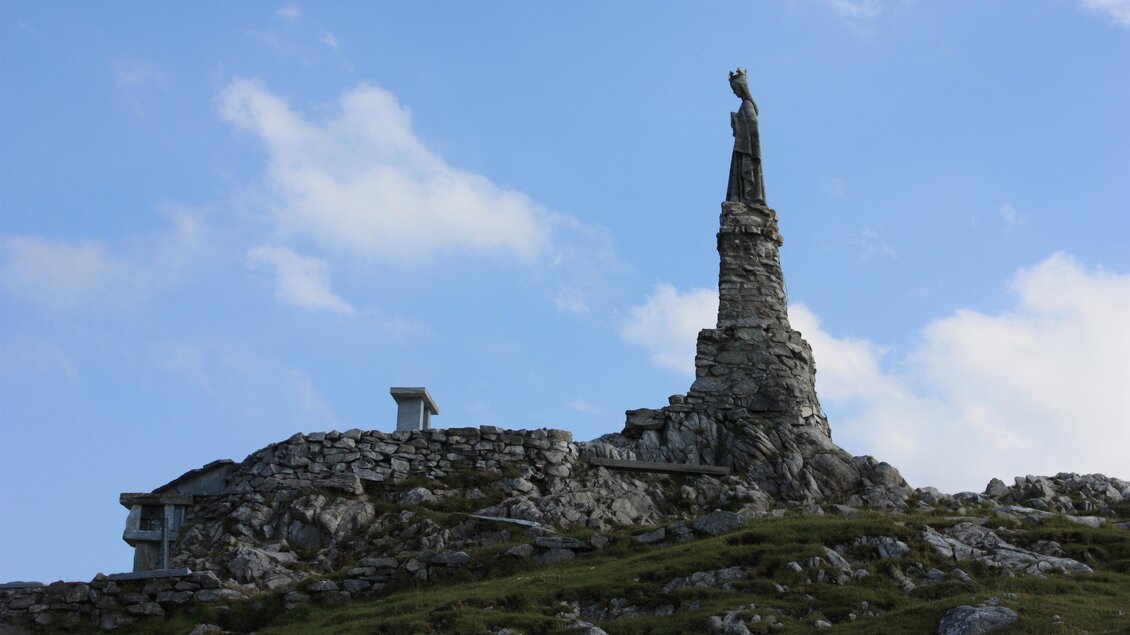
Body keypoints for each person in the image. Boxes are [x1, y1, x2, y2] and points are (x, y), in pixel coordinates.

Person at [726, 68, 766, 204]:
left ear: (741, 87)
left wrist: (737, 122)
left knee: (745, 173)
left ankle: (746, 200)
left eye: (734, 88)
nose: (733, 91)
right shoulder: (744, 105)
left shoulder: (747, 105)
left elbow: (753, 124)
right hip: (743, 147)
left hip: (747, 148)